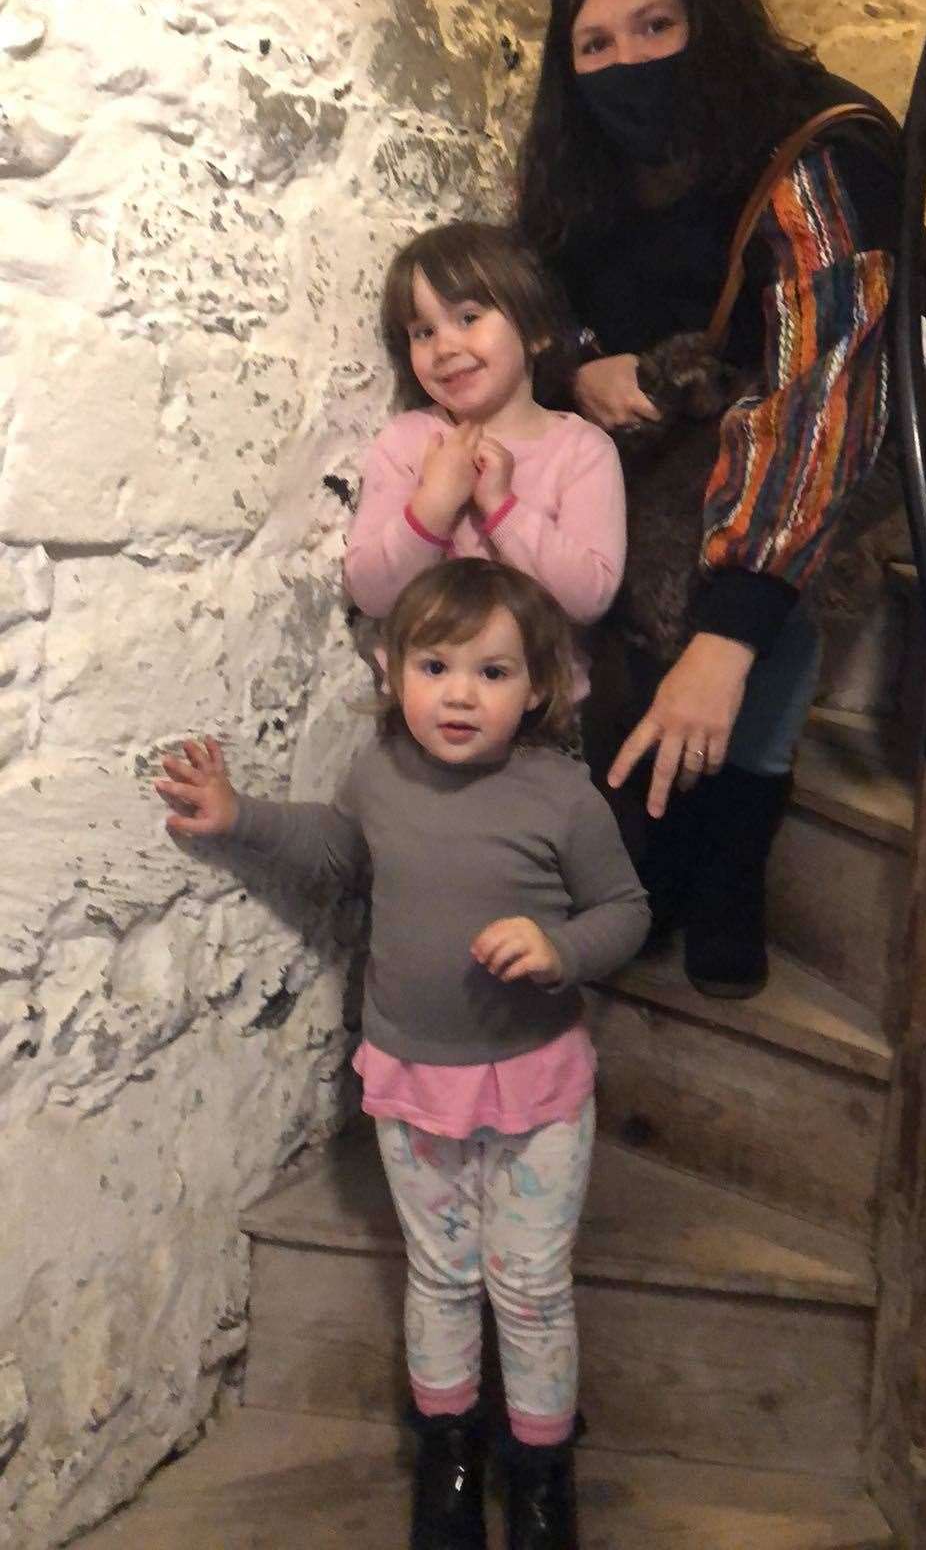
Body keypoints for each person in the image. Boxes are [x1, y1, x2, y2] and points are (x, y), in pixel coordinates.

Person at [155, 557, 649, 1550]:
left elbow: (626, 911)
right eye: (435, 666)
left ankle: (543, 1466)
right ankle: (449, 1450)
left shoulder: (561, 796)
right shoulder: (379, 776)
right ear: (393, 673)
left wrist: (560, 949)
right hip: (414, 1078)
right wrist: (237, 817)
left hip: (537, 1086)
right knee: (444, 1273)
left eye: (492, 672)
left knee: (531, 1281)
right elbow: (338, 852)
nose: (459, 693)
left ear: (538, 688)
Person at [516, 0, 926, 998]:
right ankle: (648, 841)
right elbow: (544, 292)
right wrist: (580, 366)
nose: (626, 61)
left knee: (722, 576)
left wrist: (730, 633)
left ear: (708, 19)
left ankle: (727, 865)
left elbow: (823, 394)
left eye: (655, 25)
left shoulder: (817, 143)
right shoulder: (589, 164)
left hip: (873, 385)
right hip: (705, 384)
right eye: (597, 43)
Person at [344, 220, 626, 699]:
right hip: (420, 719)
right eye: (423, 331)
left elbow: (589, 596)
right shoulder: (410, 440)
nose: (445, 347)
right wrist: (433, 505)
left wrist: (501, 509)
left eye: (469, 317)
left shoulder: (583, 450)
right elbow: (371, 592)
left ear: (536, 330)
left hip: (541, 722)